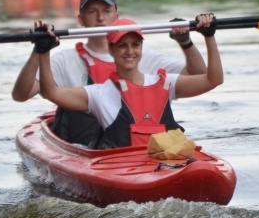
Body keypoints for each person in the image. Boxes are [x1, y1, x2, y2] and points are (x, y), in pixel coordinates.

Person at [11, 0, 207, 147]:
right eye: (92, 12)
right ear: (81, 19)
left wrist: (185, 42)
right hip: (80, 147)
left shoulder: (140, 54)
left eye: (106, 11)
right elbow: (21, 95)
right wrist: (39, 51)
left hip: (131, 147)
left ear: (116, 17)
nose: (100, 19)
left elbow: (200, 75)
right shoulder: (64, 60)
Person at [34, 15, 223, 149]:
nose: (129, 51)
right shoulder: (100, 94)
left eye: (135, 45)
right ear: (111, 50)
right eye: (122, 46)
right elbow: (51, 92)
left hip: (163, 166)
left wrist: (209, 37)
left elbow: (214, 79)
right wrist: (43, 52)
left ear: (142, 47)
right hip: (123, 170)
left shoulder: (166, 83)